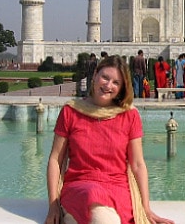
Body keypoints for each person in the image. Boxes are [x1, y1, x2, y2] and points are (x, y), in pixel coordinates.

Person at [44, 55, 174, 224]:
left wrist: (146, 208)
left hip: (117, 189)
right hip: (80, 187)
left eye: (116, 82)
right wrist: (53, 205)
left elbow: (137, 164)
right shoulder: (72, 111)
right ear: (96, 75)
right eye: (105, 77)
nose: (108, 85)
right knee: (95, 203)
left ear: (122, 88)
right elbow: (55, 159)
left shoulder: (129, 115)